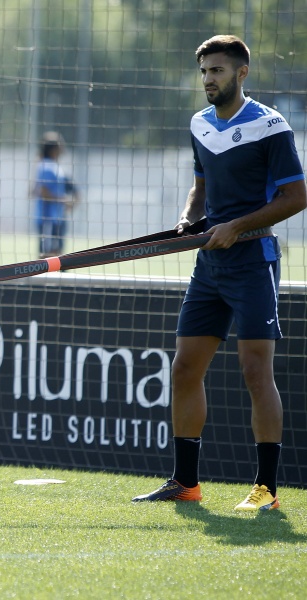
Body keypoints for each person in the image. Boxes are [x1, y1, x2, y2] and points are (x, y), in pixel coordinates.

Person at [132, 35, 307, 511]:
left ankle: (266, 490)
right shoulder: (200, 124)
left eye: (217, 71)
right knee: (184, 368)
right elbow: (201, 187)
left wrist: (236, 227)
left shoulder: (270, 125)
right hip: (209, 265)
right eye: (204, 72)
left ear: (241, 73)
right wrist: (188, 219)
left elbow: (296, 197)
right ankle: (185, 482)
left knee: (255, 371)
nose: (208, 79)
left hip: (253, 261)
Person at [32, 132, 79, 258]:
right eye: (60, 144)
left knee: (57, 254)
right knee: (48, 256)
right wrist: (64, 200)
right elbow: (43, 192)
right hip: (48, 219)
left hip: (57, 217)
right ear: (54, 149)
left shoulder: (54, 166)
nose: (63, 147)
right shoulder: (47, 167)